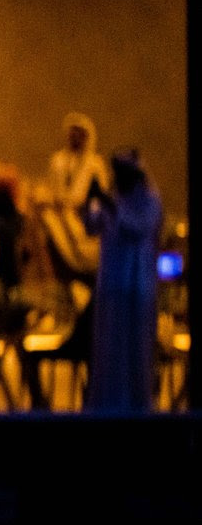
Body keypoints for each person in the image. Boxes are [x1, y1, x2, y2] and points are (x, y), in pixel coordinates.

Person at [82, 149, 163, 412]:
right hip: (111, 288)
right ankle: (107, 404)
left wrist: (110, 204)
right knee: (109, 351)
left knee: (135, 352)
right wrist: (90, 199)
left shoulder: (149, 201)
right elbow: (91, 226)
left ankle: (137, 405)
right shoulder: (113, 201)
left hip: (138, 288)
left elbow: (137, 227)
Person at [48, 111, 110, 208]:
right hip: (59, 209)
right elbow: (51, 186)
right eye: (73, 132)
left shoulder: (95, 164)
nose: (75, 136)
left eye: (79, 133)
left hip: (85, 211)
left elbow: (102, 190)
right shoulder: (57, 160)